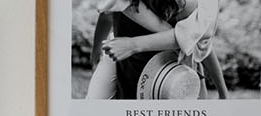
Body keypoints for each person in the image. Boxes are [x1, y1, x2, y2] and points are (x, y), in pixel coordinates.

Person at [81, 0, 228, 100]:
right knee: (94, 104)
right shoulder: (123, 5)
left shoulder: (188, 5)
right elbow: (107, 15)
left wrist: (223, 92)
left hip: (171, 68)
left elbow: (198, 41)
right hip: (123, 56)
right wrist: (96, 53)